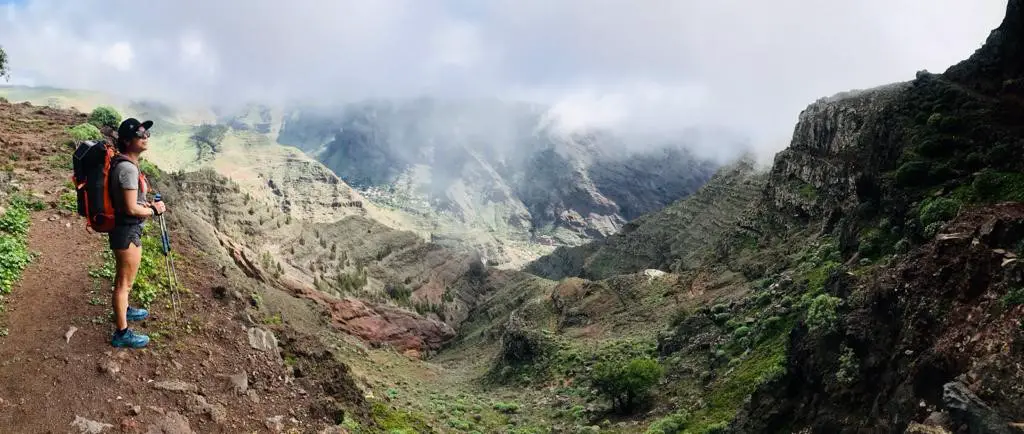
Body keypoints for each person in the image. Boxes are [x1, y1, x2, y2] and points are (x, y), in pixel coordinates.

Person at [107, 118, 166, 348]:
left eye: (146, 132)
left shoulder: (125, 164)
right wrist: (154, 209)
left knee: (124, 279)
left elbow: (130, 202)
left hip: (125, 230)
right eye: (140, 133)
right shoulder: (127, 169)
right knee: (124, 283)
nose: (145, 136)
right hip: (127, 231)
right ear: (126, 140)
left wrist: (146, 205)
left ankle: (126, 310)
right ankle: (121, 334)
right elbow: (131, 208)